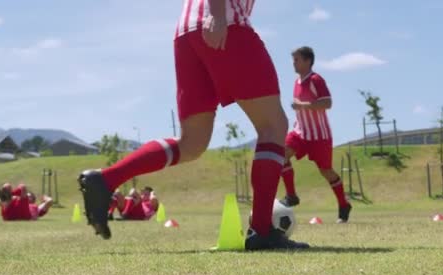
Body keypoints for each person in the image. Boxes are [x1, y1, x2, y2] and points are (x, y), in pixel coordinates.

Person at [77, 0, 309, 250]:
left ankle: (104, 180)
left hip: (188, 32)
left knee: (192, 144)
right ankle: (263, 230)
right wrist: (218, 15)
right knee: (272, 125)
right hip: (224, 24)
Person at [279, 46, 353, 223]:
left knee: (326, 171)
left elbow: (327, 102)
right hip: (300, 132)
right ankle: (291, 196)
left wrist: (303, 105)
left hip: (319, 135)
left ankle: (344, 204)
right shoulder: (297, 82)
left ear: (307, 61)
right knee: (281, 155)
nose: (294, 63)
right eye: (293, 60)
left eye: (297, 60)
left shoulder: (316, 79)